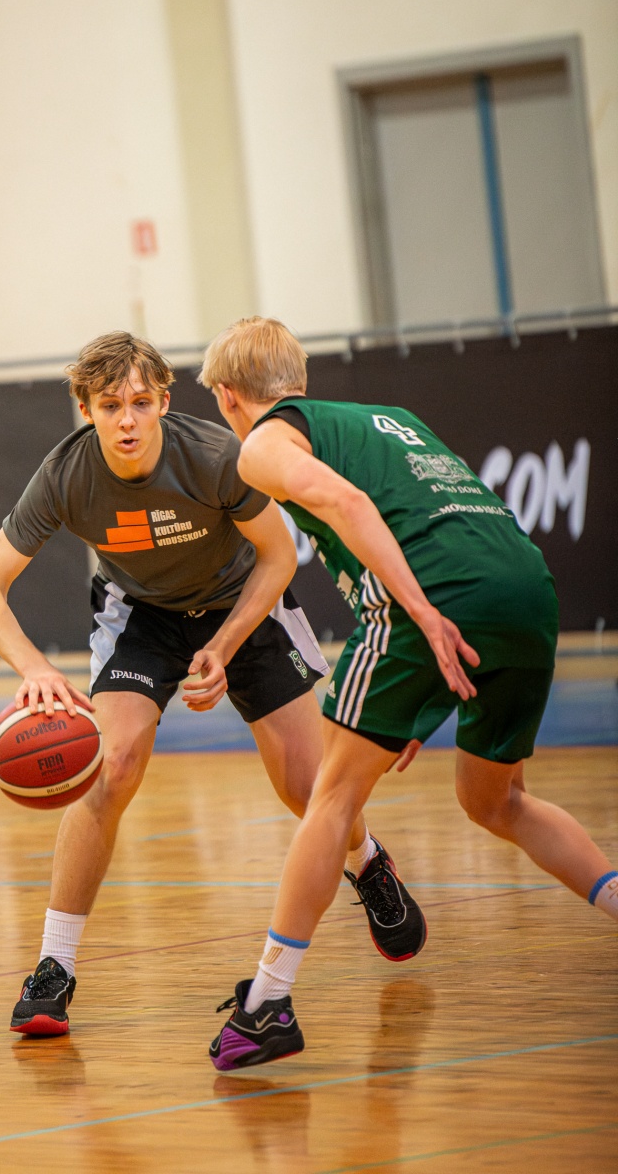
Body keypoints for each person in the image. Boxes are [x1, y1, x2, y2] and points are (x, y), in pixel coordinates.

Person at [0, 331, 427, 1039]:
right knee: (111, 767)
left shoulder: (212, 454)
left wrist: (224, 644)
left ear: (163, 401)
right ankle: (54, 967)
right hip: (142, 614)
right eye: (109, 405)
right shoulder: (64, 475)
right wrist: (37, 671)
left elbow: (278, 555)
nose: (126, 419)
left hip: (242, 600)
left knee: (308, 786)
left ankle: (367, 864)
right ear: (85, 409)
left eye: (139, 402)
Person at [200, 316, 618, 1072]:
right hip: (525, 584)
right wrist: (422, 695)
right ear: (299, 380)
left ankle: (267, 1005)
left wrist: (422, 615)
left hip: (431, 597)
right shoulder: (390, 419)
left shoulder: (262, 443)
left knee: (331, 798)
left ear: (229, 396)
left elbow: (352, 508)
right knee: (497, 801)